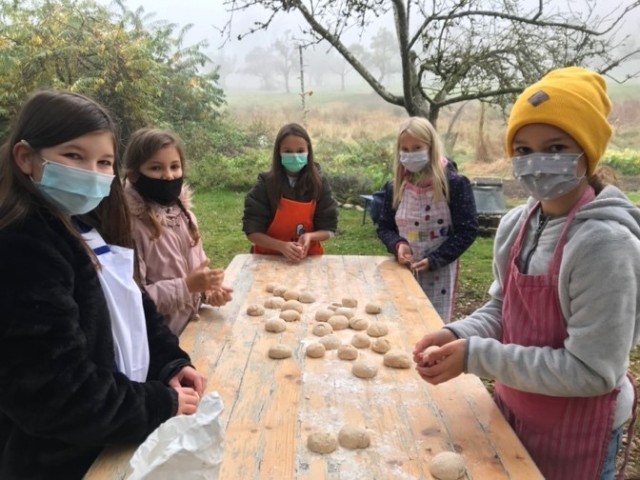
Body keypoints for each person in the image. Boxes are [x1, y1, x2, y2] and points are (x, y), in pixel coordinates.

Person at [413, 67, 640, 480]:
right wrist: (459, 334)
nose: (537, 163)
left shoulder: (604, 245)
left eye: (555, 147)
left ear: (588, 151)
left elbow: (594, 371)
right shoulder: (517, 224)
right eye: (523, 149)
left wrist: (476, 357)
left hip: (578, 427)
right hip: (517, 405)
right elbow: (505, 309)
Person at [0, 90, 207, 479]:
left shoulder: (80, 224)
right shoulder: (19, 247)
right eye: (74, 157)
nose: (92, 173)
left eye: (104, 162)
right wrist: (159, 404)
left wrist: (169, 363)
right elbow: (56, 394)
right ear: (26, 158)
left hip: (112, 437)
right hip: (62, 461)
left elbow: (133, 306)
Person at [123, 128, 232, 336]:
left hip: (190, 331)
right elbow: (132, 301)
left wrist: (208, 291)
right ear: (134, 174)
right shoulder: (130, 228)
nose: (168, 176)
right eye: (156, 168)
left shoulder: (186, 217)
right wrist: (187, 286)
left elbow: (195, 273)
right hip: (159, 343)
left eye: (175, 166)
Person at [376, 117, 479, 323]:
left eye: (417, 147)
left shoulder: (454, 184)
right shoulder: (395, 186)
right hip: (403, 270)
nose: (410, 153)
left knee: (432, 324)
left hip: (439, 273)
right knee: (403, 321)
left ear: (431, 147)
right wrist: (398, 245)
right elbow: (384, 227)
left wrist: (435, 259)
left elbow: (467, 229)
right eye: (405, 149)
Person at [242, 122, 338, 262]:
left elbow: (329, 229)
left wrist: (309, 237)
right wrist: (281, 246)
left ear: (308, 152)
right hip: (268, 259)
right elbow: (252, 231)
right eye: (288, 151)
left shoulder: (319, 183)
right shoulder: (265, 184)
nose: (294, 156)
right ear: (279, 153)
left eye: (300, 151)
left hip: (307, 259)